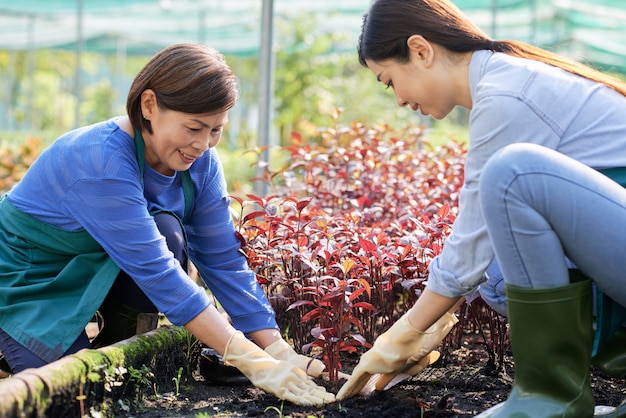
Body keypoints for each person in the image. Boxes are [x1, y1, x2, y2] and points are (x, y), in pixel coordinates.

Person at [0, 43, 334, 407]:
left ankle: (114, 338)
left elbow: (222, 260)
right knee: (80, 395)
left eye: (215, 131)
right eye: (193, 127)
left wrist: (276, 348)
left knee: (165, 234)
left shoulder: (201, 164)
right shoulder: (100, 160)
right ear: (149, 106)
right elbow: (158, 272)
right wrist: (250, 360)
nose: (203, 144)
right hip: (26, 283)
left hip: (95, 266)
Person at [336, 0, 626, 416]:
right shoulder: (506, 79)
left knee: (513, 173)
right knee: (496, 278)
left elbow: (469, 241)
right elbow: (479, 251)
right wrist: (429, 331)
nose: (398, 99)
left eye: (389, 81)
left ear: (420, 50)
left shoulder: (507, 94)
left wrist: (406, 330)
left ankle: (549, 400)